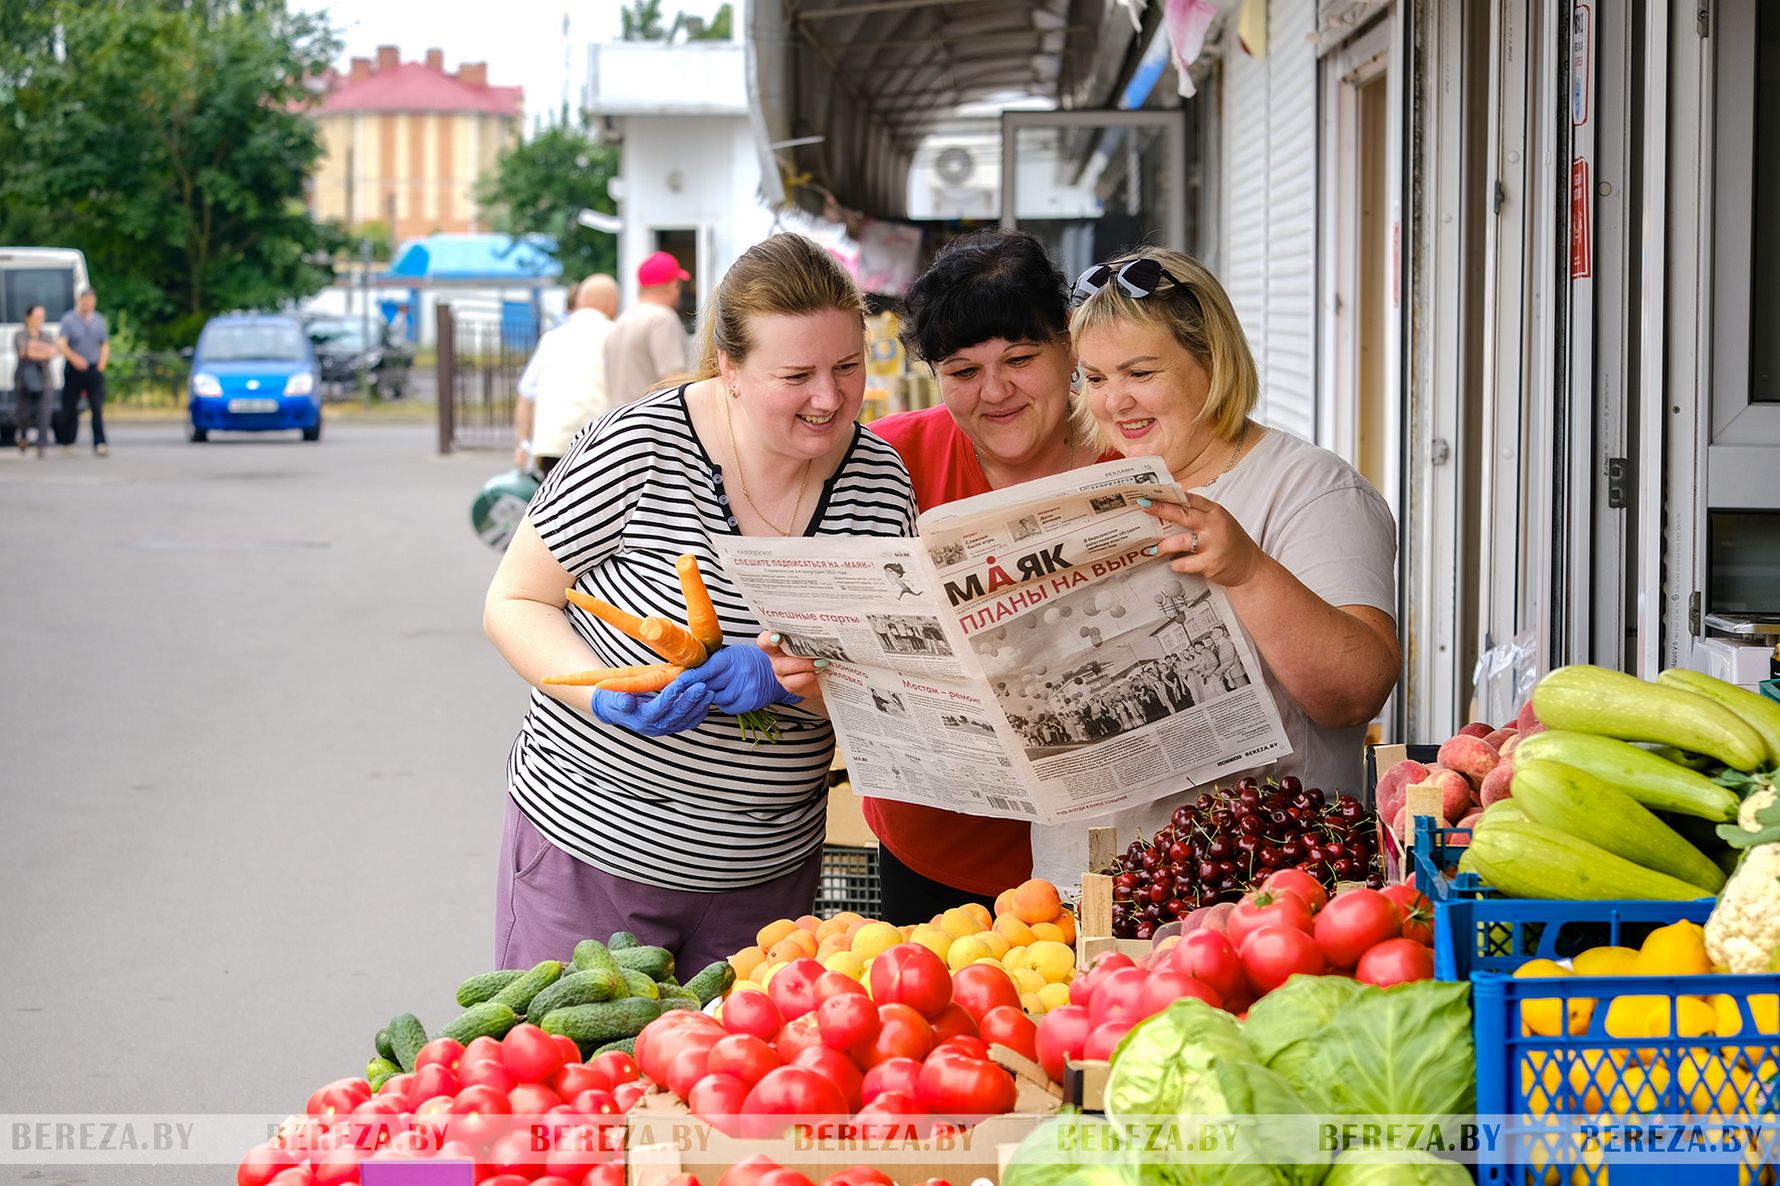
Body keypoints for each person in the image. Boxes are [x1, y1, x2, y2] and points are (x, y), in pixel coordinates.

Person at [483, 233, 917, 973]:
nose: (829, 397)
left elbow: (896, 689)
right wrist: (599, 694)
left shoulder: (879, 480)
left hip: (765, 878)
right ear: (731, 369)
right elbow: (516, 601)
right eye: (796, 374)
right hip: (593, 855)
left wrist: (805, 683)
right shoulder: (639, 443)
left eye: (846, 368)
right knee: (582, 1081)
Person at [768, 229, 1110, 924]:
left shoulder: (1128, 453)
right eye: (962, 372)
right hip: (934, 853)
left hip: (1105, 851)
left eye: (1020, 358)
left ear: (1069, 346)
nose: (996, 391)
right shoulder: (886, 460)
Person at [1050, 246, 1399, 886]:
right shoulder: (1097, 489)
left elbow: (1356, 692)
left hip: (1259, 889)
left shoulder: (1310, 488)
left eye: (1140, 372)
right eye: (1094, 378)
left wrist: (1246, 570)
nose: (1114, 402)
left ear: (1212, 362)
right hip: (1098, 892)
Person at [513, 274, 620, 476]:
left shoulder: (551, 338)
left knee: (558, 506)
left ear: (580, 301)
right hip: (598, 443)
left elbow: (525, 394)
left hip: (552, 445)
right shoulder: (616, 335)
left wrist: (522, 444)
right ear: (611, 303)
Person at [606, 250, 691, 404]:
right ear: (673, 285)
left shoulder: (622, 320)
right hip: (651, 423)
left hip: (621, 422)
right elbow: (674, 381)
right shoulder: (662, 319)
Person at [56, 287, 109, 457]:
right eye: (85, 301)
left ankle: (100, 442)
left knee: (97, 406)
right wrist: (74, 359)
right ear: (80, 301)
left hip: (93, 368)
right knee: (70, 406)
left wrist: (101, 365)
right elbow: (62, 344)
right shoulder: (69, 320)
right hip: (74, 368)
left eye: (91, 301)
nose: (88, 304)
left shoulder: (99, 320)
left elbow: (104, 344)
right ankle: (68, 442)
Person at [12, 305, 58, 454]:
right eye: (38, 316)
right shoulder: (20, 334)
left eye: (42, 317)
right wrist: (41, 349)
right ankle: (24, 435)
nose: (41, 320)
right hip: (24, 380)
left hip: (44, 379)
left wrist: (35, 348)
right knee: (24, 414)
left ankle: (41, 445)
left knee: (44, 413)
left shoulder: (47, 335)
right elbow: (26, 352)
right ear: (28, 318)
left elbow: (53, 352)